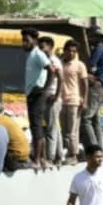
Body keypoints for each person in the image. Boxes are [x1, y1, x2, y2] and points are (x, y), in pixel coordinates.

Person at [22, 28, 55, 167]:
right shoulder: (31, 55)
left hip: (37, 93)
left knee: (37, 127)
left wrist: (44, 89)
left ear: (34, 40)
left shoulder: (38, 54)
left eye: (26, 40)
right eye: (23, 41)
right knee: (35, 126)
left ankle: (37, 159)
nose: (24, 43)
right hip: (32, 93)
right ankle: (41, 158)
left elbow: (51, 70)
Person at [60, 40, 88, 164]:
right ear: (64, 50)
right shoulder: (60, 63)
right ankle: (66, 153)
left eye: (74, 51)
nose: (71, 53)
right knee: (64, 130)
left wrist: (85, 99)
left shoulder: (79, 65)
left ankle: (74, 155)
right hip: (61, 100)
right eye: (69, 51)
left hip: (74, 100)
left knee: (72, 130)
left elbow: (85, 83)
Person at [37, 36, 64, 165]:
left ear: (50, 47)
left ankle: (50, 158)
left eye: (43, 47)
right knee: (55, 128)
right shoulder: (46, 60)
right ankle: (59, 156)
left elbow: (61, 79)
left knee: (50, 128)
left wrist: (56, 96)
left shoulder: (53, 61)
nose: (41, 50)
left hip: (52, 98)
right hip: (49, 97)